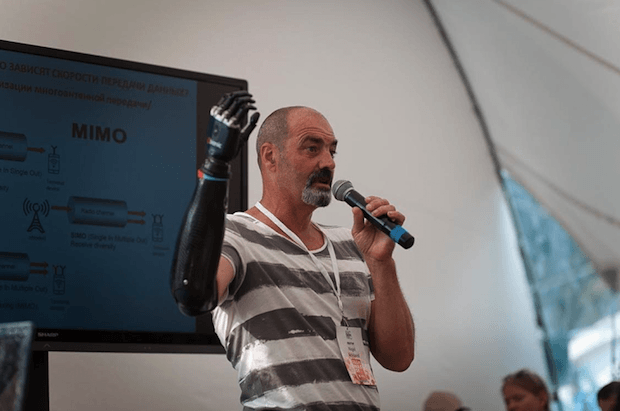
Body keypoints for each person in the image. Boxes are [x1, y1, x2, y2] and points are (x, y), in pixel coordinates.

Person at [170, 92, 415, 410]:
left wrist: (380, 262)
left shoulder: (354, 243)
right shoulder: (235, 235)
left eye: (331, 151)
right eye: (312, 148)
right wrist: (215, 166)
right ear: (270, 157)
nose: (328, 162)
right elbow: (192, 295)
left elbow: (399, 358)